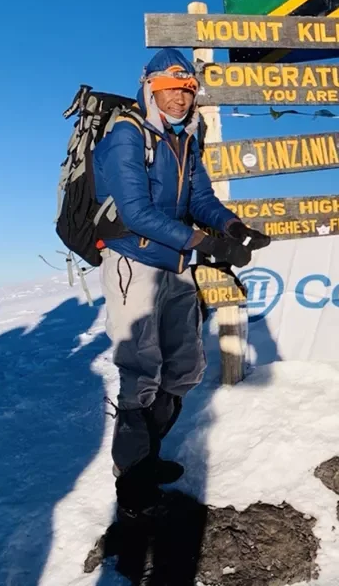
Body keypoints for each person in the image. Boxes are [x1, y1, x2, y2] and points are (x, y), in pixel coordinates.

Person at [92, 48, 268, 526]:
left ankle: (148, 454)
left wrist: (232, 228)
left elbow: (201, 197)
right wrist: (204, 242)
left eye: (188, 89)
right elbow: (136, 213)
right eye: (172, 88)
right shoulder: (128, 136)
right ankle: (131, 478)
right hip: (135, 264)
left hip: (177, 265)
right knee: (141, 369)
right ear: (150, 87)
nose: (182, 97)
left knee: (186, 366)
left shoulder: (186, 139)